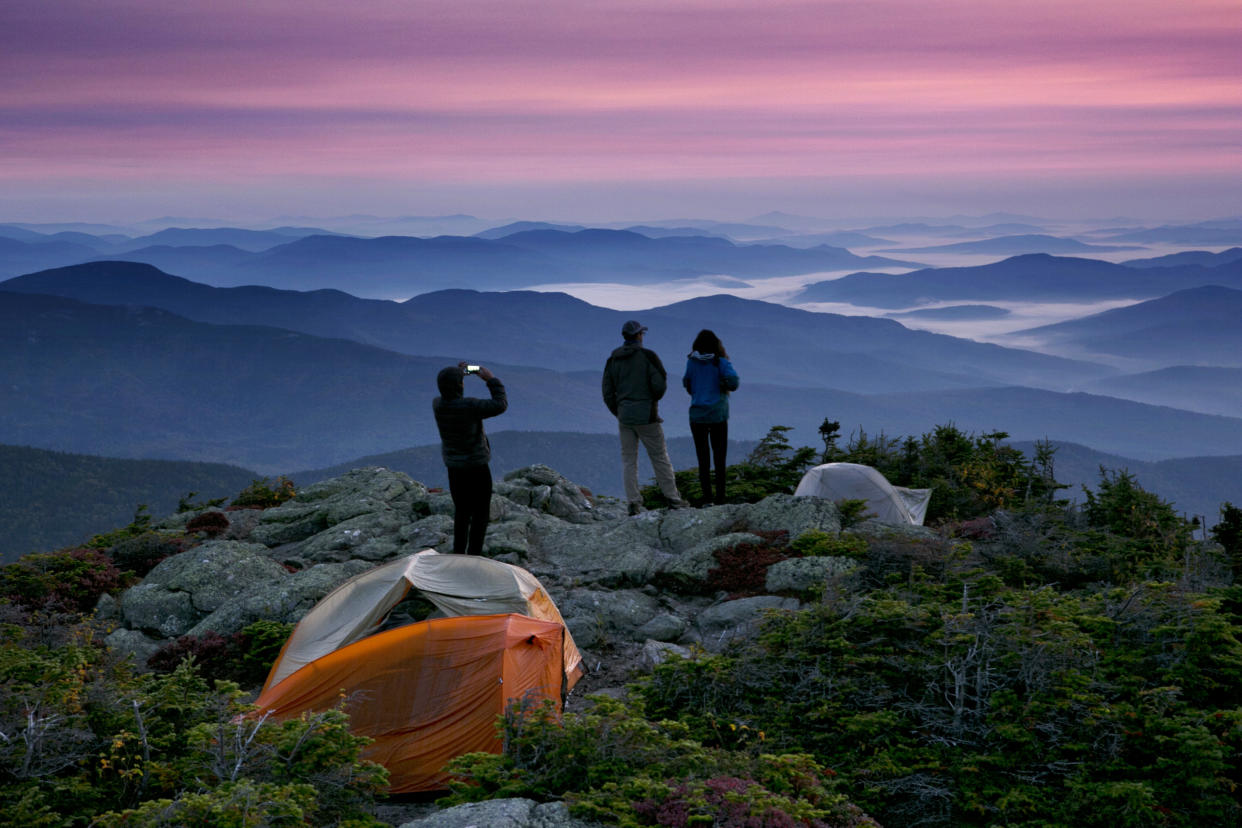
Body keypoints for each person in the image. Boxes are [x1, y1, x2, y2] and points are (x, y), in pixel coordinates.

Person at [602, 319, 688, 515]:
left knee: (628, 460)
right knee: (659, 457)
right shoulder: (648, 356)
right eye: (642, 333)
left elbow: (607, 392)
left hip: (624, 417)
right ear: (639, 335)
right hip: (647, 416)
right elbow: (659, 385)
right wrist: (649, 402)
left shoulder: (613, 359)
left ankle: (633, 502)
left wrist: (619, 410)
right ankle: (673, 499)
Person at [432, 362, 507, 554]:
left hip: (454, 468)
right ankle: (473, 554)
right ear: (460, 386)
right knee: (481, 512)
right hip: (477, 466)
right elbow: (500, 404)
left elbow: (451, 387)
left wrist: (463, 372)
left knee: (462, 511)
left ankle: (458, 552)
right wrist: (489, 379)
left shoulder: (438, 404)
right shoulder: (471, 406)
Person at [683, 329, 740, 504]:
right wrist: (721, 384)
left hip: (697, 415)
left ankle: (707, 497)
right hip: (718, 415)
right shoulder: (720, 363)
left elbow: (687, 383)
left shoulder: (692, 363)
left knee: (703, 458)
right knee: (719, 456)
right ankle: (721, 497)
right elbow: (734, 383)